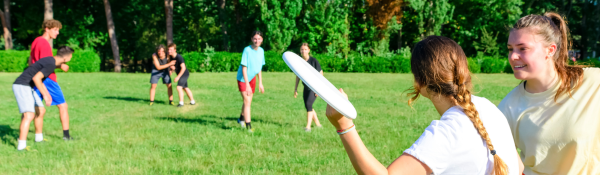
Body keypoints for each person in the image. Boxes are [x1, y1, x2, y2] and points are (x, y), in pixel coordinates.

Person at [324, 36, 523, 174]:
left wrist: (344, 126)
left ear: (419, 83)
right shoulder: (488, 107)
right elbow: (519, 167)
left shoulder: (446, 133)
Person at [498, 12, 600, 175]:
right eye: (511, 49)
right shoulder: (508, 107)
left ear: (550, 50)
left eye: (522, 48)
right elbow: (497, 161)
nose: (513, 56)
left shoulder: (592, 83)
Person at [14, 46, 74, 151]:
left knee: (40, 111)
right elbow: (36, 78)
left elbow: (40, 67)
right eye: (71, 56)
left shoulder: (51, 60)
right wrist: (46, 95)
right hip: (22, 85)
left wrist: (60, 67)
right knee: (29, 115)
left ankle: (38, 139)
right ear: (66, 58)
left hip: (27, 86)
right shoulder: (51, 63)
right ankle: (21, 146)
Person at [28, 19, 74, 141]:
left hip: (35, 78)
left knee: (38, 109)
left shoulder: (35, 41)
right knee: (63, 106)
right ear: (47, 29)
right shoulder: (44, 43)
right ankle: (67, 136)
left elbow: (31, 61)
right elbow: (46, 64)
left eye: (58, 30)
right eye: (55, 30)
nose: (57, 32)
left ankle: (38, 138)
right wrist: (61, 65)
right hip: (47, 79)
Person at [236, 31, 266, 132]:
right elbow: (244, 68)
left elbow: (259, 68)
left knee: (247, 102)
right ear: (252, 39)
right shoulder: (247, 50)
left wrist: (260, 83)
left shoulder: (261, 51)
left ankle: (241, 119)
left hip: (252, 78)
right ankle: (248, 127)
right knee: (247, 102)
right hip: (243, 79)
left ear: (262, 40)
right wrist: (247, 85)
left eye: (259, 39)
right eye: (255, 39)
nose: (257, 41)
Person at [293, 43, 323, 132]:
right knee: (308, 106)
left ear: (309, 50)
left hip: (314, 88)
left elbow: (321, 73)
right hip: (305, 88)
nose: (303, 51)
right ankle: (318, 124)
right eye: (302, 49)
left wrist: (318, 88)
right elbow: (297, 76)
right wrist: (295, 89)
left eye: (305, 49)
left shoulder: (314, 61)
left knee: (309, 104)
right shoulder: (299, 62)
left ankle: (308, 127)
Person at [167, 43, 196, 107]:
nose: (169, 51)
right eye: (168, 49)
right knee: (185, 88)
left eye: (171, 50)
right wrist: (171, 71)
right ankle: (192, 101)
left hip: (184, 74)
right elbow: (172, 67)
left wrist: (178, 77)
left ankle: (181, 103)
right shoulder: (171, 57)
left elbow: (183, 68)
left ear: (175, 50)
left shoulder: (179, 57)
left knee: (179, 87)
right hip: (181, 74)